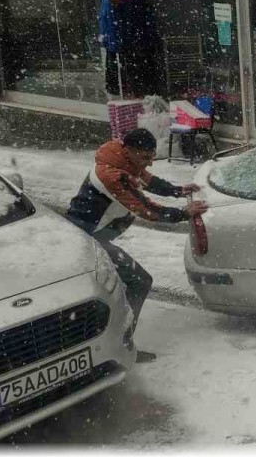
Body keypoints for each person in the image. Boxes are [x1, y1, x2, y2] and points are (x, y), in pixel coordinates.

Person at [66, 128, 208, 362]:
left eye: (151, 158)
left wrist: (177, 190)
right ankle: (121, 344)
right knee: (139, 281)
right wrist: (184, 213)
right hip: (86, 238)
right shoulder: (111, 175)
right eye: (144, 158)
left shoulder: (124, 161)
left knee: (114, 286)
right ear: (128, 150)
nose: (149, 164)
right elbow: (146, 209)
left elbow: (147, 179)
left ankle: (109, 339)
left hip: (95, 235)